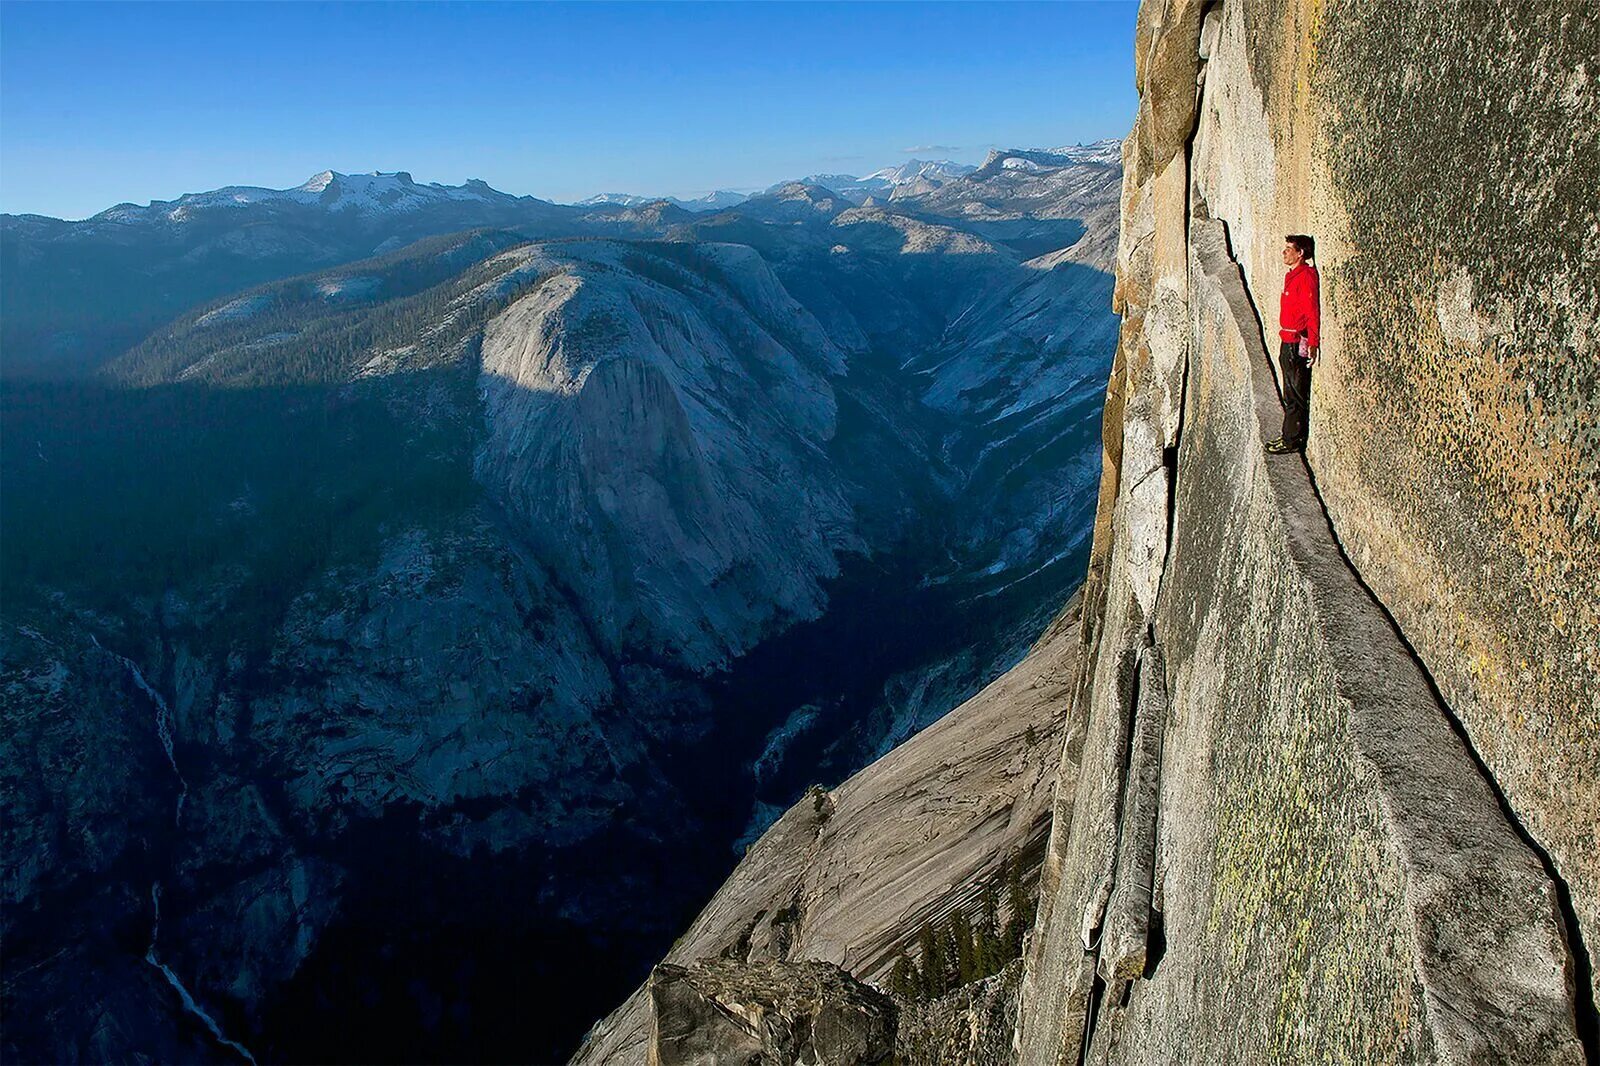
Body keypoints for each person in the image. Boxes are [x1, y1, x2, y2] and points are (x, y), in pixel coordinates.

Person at [1266, 233, 1319, 455]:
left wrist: (1313, 342)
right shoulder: (1292, 276)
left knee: (1295, 394)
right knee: (1289, 391)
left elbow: (1312, 311)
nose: (1284, 252)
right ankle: (1288, 436)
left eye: (1289, 249)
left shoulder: (1306, 276)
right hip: (1286, 339)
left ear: (1301, 253)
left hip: (1296, 342)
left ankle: (1291, 440)